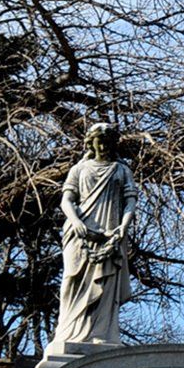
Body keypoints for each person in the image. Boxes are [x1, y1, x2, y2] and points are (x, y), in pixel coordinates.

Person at [55, 123, 139, 346]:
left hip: (110, 234)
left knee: (104, 288)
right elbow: (66, 200)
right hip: (80, 234)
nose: (102, 146)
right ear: (91, 143)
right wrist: (76, 222)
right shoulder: (79, 169)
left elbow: (130, 201)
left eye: (106, 142)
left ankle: (102, 334)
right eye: (98, 141)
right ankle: (66, 333)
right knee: (70, 282)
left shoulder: (121, 170)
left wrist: (123, 227)